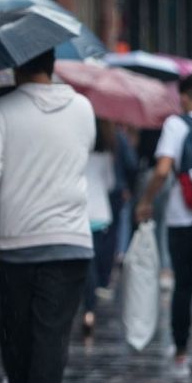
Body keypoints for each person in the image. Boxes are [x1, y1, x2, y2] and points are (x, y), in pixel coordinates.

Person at [0, 49, 95, 383]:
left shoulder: (0, 110)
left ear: (15, 67)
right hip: (70, 239)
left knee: (15, 334)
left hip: (16, 241)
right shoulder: (83, 108)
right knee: (51, 337)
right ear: (52, 64)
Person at [136, 72, 192, 380]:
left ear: (184, 97)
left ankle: (182, 355)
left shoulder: (176, 125)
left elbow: (161, 170)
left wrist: (145, 200)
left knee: (183, 286)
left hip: (181, 216)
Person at [82, 120, 117, 336]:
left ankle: (85, 308)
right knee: (93, 263)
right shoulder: (106, 156)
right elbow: (111, 184)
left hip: (77, 213)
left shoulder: (76, 153)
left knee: (84, 265)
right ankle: (89, 309)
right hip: (100, 214)